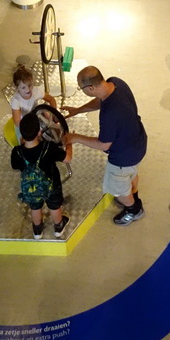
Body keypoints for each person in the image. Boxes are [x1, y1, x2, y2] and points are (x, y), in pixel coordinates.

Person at [62, 66, 147, 226]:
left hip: (123, 157)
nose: (83, 91)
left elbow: (103, 144)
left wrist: (75, 138)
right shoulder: (116, 83)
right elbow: (100, 100)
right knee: (131, 174)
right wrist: (78, 110)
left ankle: (134, 209)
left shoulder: (110, 115)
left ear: (91, 88)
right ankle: (132, 195)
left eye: (82, 89)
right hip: (139, 141)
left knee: (117, 188)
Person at [11, 110, 71, 239]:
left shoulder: (17, 152)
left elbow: (15, 166)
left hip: (31, 188)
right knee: (54, 206)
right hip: (52, 185)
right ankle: (58, 227)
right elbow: (67, 159)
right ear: (39, 132)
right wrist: (69, 143)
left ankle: (37, 230)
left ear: (22, 133)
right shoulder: (48, 147)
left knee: (35, 207)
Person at [9, 63, 56, 144]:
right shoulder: (16, 100)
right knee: (25, 143)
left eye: (30, 85)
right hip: (24, 124)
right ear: (17, 88)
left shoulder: (36, 91)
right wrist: (34, 133)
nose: (28, 90)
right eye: (23, 87)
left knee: (51, 124)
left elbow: (51, 100)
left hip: (37, 117)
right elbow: (17, 122)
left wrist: (53, 114)